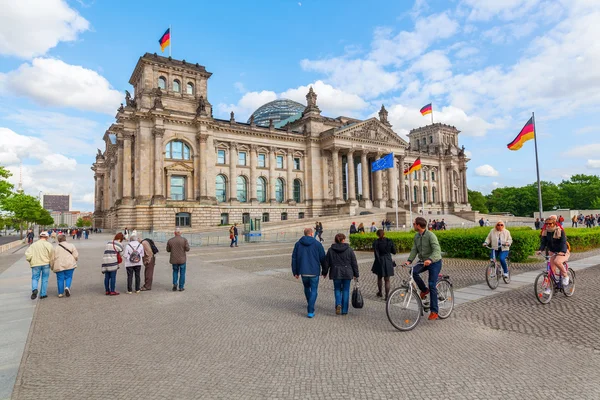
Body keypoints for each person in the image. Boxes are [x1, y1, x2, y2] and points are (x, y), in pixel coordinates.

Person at [402, 217, 442, 320]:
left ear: (418, 225)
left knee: (432, 284)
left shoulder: (430, 235)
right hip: (423, 261)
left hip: (434, 262)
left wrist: (430, 259)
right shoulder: (416, 236)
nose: (413, 225)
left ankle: (434, 311)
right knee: (413, 271)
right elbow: (414, 249)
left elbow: (437, 250)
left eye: (414, 223)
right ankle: (424, 290)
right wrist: (409, 261)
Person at [291, 228, 326, 318]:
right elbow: (323, 258)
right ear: (311, 234)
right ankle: (310, 309)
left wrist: (295, 272)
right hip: (314, 271)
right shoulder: (317, 244)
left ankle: (310, 302)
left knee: (307, 287)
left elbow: (294, 258)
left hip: (303, 271)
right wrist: (325, 271)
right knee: (314, 290)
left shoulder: (298, 244)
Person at [322, 233, 359, 315]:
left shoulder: (331, 250)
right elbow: (354, 263)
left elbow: (326, 263)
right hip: (347, 272)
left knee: (337, 289)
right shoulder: (349, 249)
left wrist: (324, 272)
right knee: (346, 290)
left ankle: (338, 304)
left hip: (335, 272)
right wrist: (356, 274)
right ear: (343, 240)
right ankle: (345, 310)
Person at [537, 215, 570, 287]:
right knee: (551, 271)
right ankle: (549, 288)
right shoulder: (546, 232)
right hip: (552, 251)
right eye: (546, 224)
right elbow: (543, 242)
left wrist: (562, 251)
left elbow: (563, 242)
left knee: (557, 261)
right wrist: (540, 250)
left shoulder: (560, 231)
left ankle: (565, 276)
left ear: (554, 223)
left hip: (562, 251)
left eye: (550, 224)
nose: (548, 225)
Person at [25, 232, 54, 300]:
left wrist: (30, 260)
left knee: (35, 278)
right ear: (47, 237)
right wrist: (51, 264)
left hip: (35, 264)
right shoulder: (49, 245)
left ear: (39, 236)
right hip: (46, 263)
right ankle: (43, 294)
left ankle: (34, 289)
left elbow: (28, 254)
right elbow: (52, 255)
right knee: (45, 278)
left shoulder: (33, 245)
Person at [371, 229, 397, 300]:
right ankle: (387, 296)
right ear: (384, 234)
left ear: (377, 235)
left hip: (379, 260)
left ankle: (380, 292)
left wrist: (378, 260)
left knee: (379, 277)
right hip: (388, 260)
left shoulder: (376, 242)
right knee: (387, 279)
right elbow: (394, 252)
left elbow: (376, 254)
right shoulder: (389, 241)